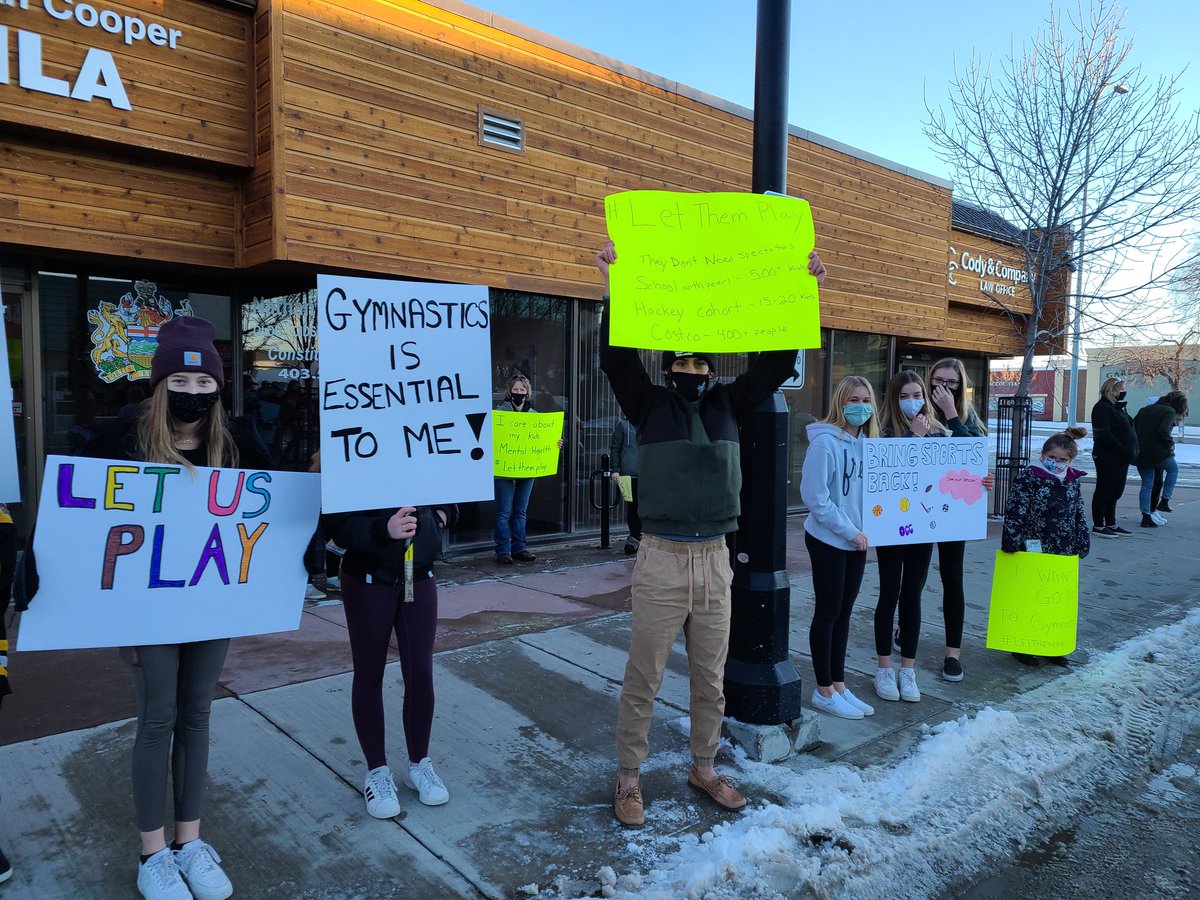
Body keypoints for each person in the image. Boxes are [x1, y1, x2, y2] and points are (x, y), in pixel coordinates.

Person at [595, 239, 828, 827]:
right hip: (662, 558)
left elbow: (776, 364)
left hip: (716, 559)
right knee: (643, 677)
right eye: (682, 363)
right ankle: (628, 777)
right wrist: (613, 288)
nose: (691, 372)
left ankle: (704, 765)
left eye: (701, 364)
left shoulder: (733, 402)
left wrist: (805, 293)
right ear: (668, 366)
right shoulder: (647, 405)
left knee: (711, 677)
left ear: (711, 370)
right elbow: (617, 359)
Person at [49, 315, 273, 900]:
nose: (193, 393)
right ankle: (152, 855)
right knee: (158, 719)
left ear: (219, 388)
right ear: (158, 384)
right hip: (148, 611)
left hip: (213, 604)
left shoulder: (240, 444)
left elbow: (276, 517)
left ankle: (189, 842)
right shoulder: (117, 443)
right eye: (180, 380)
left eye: (205, 384)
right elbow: (81, 528)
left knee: (198, 715)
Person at [322, 491, 458, 819]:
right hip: (368, 576)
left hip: (419, 571)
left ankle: (419, 763)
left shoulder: (425, 448)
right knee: (369, 672)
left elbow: (457, 494)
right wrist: (383, 529)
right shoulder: (352, 445)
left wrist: (438, 517)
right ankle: (377, 771)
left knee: (420, 671)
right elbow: (334, 524)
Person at [874, 371, 991, 702]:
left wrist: (977, 481)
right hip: (892, 529)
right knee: (888, 594)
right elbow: (887, 473)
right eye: (904, 396)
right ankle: (884, 667)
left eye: (917, 394)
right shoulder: (883, 433)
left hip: (924, 529)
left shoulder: (939, 432)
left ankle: (907, 670)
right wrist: (912, 437)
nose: (912, 402)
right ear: (893, 400)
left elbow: (965, 462)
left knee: (912, 595)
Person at [800, 376, 877, 720]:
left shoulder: (869, 444)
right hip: (829, 539)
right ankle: (823, 689)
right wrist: (849, 531)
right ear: (840, 403)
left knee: (844, 614)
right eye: (853, 399)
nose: (860, 406)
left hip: (856, 541)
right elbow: (816, 498)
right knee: (828, 612)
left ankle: (840, 684)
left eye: (865, 399)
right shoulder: (825, 444)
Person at [1000, 427, 1091, 666]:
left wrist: (1082, 537)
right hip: (1033, 542)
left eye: (1063, 460)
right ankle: (1022, 644)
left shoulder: (1071, 480)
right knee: (1029, 595)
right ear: (1044, 454)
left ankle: (1051, 643)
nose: (1057, 463)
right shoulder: (1031, 475)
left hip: (1062, 544)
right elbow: (1016, 507)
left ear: (1071, 460)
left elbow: (1078, 511)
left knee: (1052, 597)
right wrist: (1012, 537)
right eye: (1052, 458)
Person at [925, 358, 990, 682]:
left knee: (953, 579)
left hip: (954, 511)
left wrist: (951, 414)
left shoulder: (967, 418)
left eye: (951, 382)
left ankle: (953, 652)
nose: (943, 388)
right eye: (937, 381)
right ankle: (902, 628)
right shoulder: (916, 411)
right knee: (911, 580)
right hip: (919, 510)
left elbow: (972, 454)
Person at [492, 374, 562, 565]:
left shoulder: (534, 417)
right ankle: (503, 551)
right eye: (515, 390)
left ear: (528, 393)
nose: (518, 393)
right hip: (504, 470)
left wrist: (554, 442)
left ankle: (520, 548)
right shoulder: (500, 414)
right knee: (504, 512)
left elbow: (542, 440)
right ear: (509, 391)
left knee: (521, 511)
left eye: (522, 390)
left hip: (526, 469)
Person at [1089, 377, 1138, 538]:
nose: (1123, 391)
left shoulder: (1116, 408)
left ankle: (1111, 523)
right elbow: (1104, 434)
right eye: (1121, 388)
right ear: (1112, 390)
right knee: (1105, 490)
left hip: (1121, 457)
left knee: (1116, 491)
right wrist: (1124, 449)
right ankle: (1098, 525)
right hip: (1108, 457)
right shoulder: (1101, 408)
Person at [1133, 392, 1188, 529]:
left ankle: (1146, 516)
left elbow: (1133, 427)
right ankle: (1164, 500)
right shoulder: (1169, 412)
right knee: (1173, 470)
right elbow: (1163, 431)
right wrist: (1170, 444)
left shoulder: (1144, 410)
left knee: (1147, 484)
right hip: (1159, 452)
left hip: (1141, 452)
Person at [609, 413, 641, 555]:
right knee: (632, 507)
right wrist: (615, 470)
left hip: (646, 474)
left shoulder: (649, 423)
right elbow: (615, 448)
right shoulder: (622, 424)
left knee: (644, 507)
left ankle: (640, 537)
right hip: (627, 474)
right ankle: (634, 538)